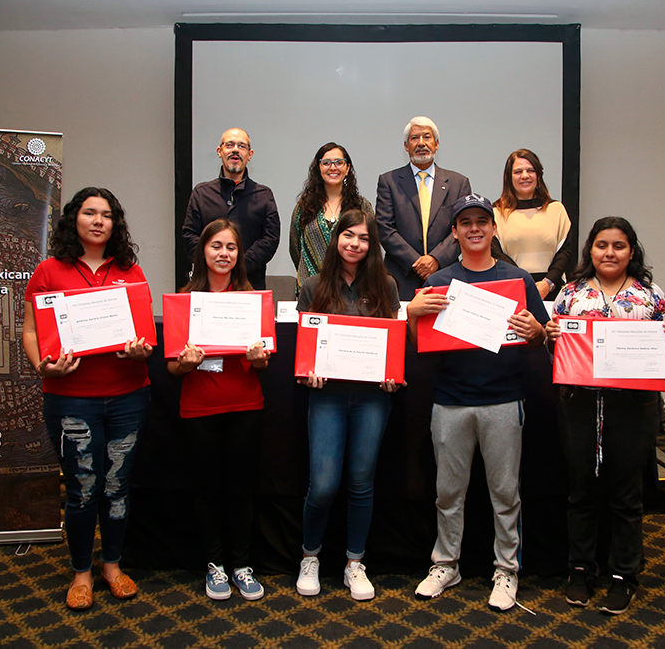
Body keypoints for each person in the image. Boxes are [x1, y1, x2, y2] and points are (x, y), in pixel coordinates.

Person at [405, 194, 549, 612]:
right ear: (454, 231)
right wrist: (413, 313)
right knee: (448, 492)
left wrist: (533, 330)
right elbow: (420, 346)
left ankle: (506, 570)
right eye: (465, 222)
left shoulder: (517, 278)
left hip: (504, 400)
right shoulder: (438, 283)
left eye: (481, 221)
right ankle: (445, 564)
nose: (474, 228)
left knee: (505, 493)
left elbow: (538, 338)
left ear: (492, 228)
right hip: (450, 402)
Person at [23, 187, 153, 610]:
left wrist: (141, 349)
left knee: (116, 486)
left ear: (115, 224)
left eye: (107, 215)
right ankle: (81, 572)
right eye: (89, 213)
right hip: (70, 397)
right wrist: (42, 365)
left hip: (128, 394)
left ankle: (112, 566)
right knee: (81, 488)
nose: (98, 221)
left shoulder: (130, 270)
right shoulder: (48, 270)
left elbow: (145, 336)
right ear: (73, 219)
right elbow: (30, 331)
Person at [546, 216, 665, 615]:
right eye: (602, 245)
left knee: (627, 494)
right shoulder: (571, 295)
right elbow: (557, 355)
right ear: (590, 250)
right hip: (580, 405)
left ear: (631, 251)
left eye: (618, 246)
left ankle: (624, 573)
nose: (609, 252)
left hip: (632, 408)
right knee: (581, 491)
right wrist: (552, 339)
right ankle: (579, 570)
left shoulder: (650, 294)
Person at [294, 209, 402, 601]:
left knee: (361, 482)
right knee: (322, 485)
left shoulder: (386, 286)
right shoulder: (312, 286)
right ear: (336, 238)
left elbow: (393, 343)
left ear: (372, 246)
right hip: (328, 397)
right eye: (348, 235)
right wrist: (309, 372)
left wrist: (392, 375)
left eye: (364, 238)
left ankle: (354, 564)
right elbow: (305, 347)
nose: (355, 244)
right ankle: (311, 557)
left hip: (373, 398)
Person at [167, 219, 271, 602]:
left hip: (245, 405)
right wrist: (188, 362)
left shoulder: (252, 300)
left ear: (238, 254)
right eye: (216, 246)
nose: (223, 253)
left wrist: (259, 358)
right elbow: (172, 368)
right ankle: (215, 565)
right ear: (203, 251)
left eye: (230, 247)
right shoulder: (184, 300)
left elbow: (263, 364)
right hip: (200, 408)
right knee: (208, 490)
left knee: (242, 489)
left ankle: (241, 566)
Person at [376, 116, 472, 300]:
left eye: (427, 137)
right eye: (414, 138)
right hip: (400, 277)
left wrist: (436, 259)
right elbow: (384, 228)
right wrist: (416, 262)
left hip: (445, 274)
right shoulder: (389, 181)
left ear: (436, 144)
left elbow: (462, 229)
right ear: (406, 146)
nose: (421, 143)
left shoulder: (458, 183)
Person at [182, 127, 280, 290]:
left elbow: (270, 239)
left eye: (242, 146)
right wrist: (215, 262)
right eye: (230, 145)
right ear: (220, 151)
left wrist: (238, 265)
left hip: (249, 286)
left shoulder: (263, 195)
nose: (235, 150)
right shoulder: (201, 193)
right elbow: (189, 236)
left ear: (250, 154)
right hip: (208, 287)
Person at [289, 142, 374, 296]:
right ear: (318, 168)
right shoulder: (304, 206)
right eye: (326, 163)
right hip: (311, 289)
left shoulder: (362, 206)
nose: (333, 168)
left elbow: (371, 245)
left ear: (347, 168)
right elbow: (295, 248)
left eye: (339, 163)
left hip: (353, 289)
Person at [491, 149, 574, 300]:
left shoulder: (556, 209)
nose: (525, 176)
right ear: (508, 177)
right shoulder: (495, 213)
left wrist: (547, 284)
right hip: (512, 289)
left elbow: (565, 253)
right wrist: (524, 282)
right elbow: (496, 255)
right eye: (518, 172)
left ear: (539, 175)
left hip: (552, 291)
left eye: (530, 170)